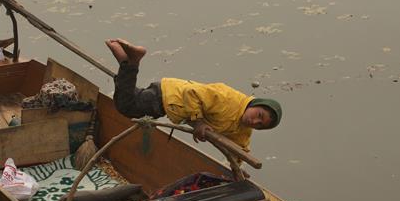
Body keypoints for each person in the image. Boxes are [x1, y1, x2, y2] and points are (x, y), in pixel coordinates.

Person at [105, 38, 282, 151]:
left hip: (169, 102)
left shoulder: (243, 129)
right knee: (127, 106)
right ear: (255, 104)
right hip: (167, 97)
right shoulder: (226, 99)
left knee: (130, 96)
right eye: (259, 115)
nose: (255, 122)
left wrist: (239, 168)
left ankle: (126, 62)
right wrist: (198, 123)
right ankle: (131, 61)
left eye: (260, 125)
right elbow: (191, 93)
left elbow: (239, 148)